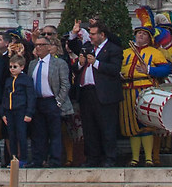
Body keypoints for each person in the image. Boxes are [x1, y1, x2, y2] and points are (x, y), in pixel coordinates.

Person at [72, 18, 124, 167]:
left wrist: (96, 63)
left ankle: (109, 158)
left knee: (107, 127)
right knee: (89, 128)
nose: (91, 37)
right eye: (90, 34)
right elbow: (73, 48)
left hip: (104, 94)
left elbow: (114, 69)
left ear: (102, 35)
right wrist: (80, 63)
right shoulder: (87, 47)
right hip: (86, 92)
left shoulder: (113, 49)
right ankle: (92, 158)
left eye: (93, 34)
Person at [28, 35, 69, 166]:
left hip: (52, 100)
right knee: (38, 133)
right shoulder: (32, 64)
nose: (38, 48)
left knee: (55, 132)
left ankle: (55, 159)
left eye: (41, 45)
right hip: (37, 101)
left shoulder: (59, 63)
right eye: (36, 45)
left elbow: (65, 84)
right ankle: (38, 159)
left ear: (48, 47)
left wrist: (58, 101)